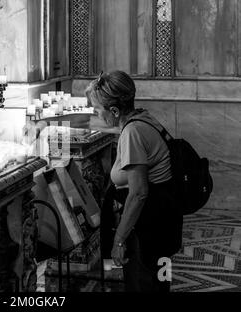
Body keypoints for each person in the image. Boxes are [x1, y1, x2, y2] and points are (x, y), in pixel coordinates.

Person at [24, 70, 183, 292]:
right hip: (160, 222)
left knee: (146, 283)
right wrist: (44, 123)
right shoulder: (139, 118)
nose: (96, 113)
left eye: (99, 108)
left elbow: (139, 193)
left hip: (150, 226)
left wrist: (119, 240)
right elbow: (88, 120)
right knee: (156, 280)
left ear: (114, 110)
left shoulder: (132, 133)